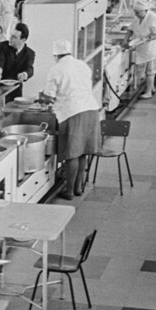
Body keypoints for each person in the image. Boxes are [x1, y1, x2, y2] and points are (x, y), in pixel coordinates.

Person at [38, 38, 102, 198]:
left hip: (73, 113)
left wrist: (41, 98)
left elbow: (49, 96)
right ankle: (78, 187)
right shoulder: (82, 65)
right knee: (83, 152)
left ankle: (69, 191)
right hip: (92, 109)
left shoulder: (56, 69)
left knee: (72, 153)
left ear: (55, 55)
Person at [129, 0, 156, 99]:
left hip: (153, 48)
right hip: (143, 47)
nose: (136, 14)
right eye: (135, 12)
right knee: (147, 70)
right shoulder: (137, 16)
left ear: (145, 10)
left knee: (150, 71)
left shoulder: (153, 18)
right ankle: (151, 87)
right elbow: (131, 28)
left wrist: (147, 39)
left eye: (138, 12)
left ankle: (148, 92)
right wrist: (125, 41)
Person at [0, 22, 36, 93]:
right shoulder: (3, 46)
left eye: (14, 37)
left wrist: (24, 74)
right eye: (11, 35)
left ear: (23, 40)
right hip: (0, 88)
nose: (10, 38)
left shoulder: (29, 53)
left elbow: (29, 69)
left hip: (16, 90)